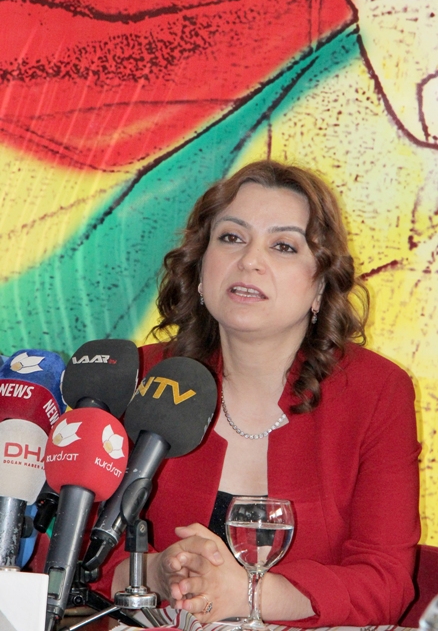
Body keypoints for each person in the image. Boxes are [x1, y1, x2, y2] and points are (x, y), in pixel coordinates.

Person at [95, 160, 420, 626]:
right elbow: (73, 558)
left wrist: (249, 594)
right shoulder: (137, 379)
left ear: (320, 285)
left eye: (283, 245)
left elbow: (385, 581)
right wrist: (155, 573)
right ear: (200, 267)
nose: (250, 260)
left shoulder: (376, 392)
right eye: (231, 237)